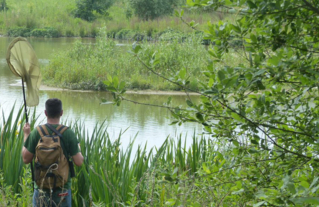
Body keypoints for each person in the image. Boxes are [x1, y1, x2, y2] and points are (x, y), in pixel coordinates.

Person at [22, 98, 84, 207]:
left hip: (41, 189)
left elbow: (26, 159)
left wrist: (26, 134)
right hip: (62, 190)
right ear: (61, 113)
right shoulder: (68, 133)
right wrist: (79, 149)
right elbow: (79, 162)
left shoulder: (37, 132)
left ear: (45, 113)